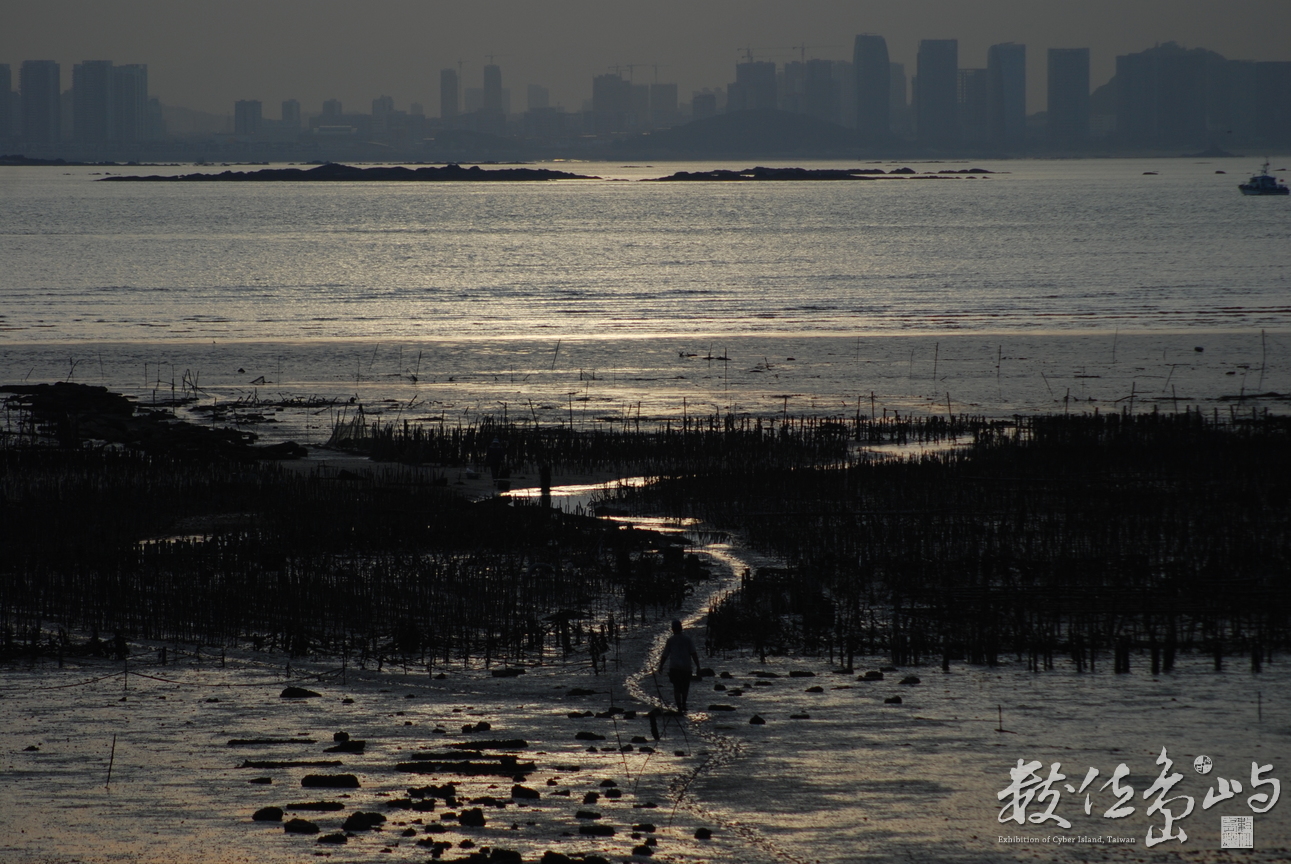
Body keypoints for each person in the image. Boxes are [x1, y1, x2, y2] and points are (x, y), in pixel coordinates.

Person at [657, 619, 701, 713]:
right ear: (681, 628)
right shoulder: (688, 639)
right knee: (685, 687)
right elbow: (693, 653)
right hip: (686, 667)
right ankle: (684, 705)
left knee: (676, 688)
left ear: (673, 629)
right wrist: (698, 666)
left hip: (674, 667)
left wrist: (661, 665)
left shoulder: (670, 640)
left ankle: (679, 707)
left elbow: (665, 655)